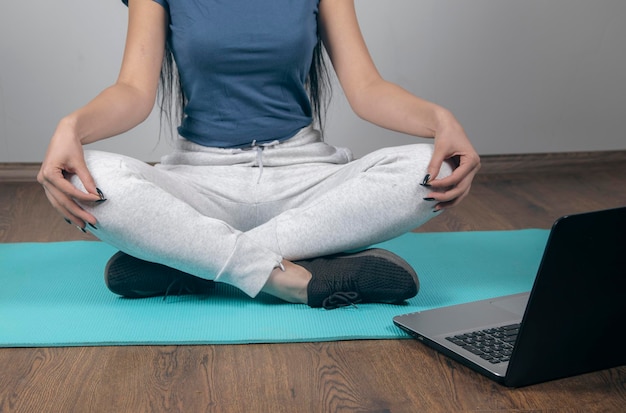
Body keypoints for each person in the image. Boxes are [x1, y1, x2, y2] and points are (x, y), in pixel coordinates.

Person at [37, 0, 480, 309]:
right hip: (202, 181)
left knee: (431, 167)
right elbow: (133, 91)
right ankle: (292, 280)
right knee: (90, 176)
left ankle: (195, 260)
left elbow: (367, 89)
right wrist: (70, 127)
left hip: (304, 177)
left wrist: (440, 120)